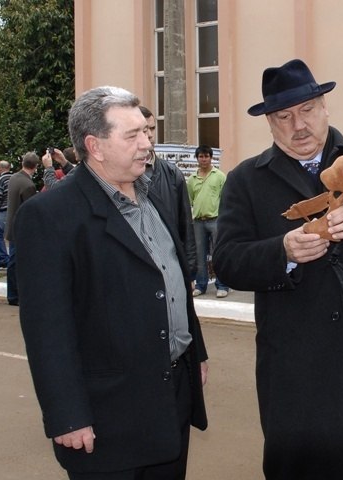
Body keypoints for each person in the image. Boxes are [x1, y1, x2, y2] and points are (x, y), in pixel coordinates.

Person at [212, 59, 343, 480]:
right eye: (284, 116)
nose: (298, 125)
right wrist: (283, 251)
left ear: (325, 107)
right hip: (296, 368)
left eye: (307, 109)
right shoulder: (246, 180)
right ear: (270, 123)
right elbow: (228, 261)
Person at [14, 86, 208, 480]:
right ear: (95, 146)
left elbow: (169, 278)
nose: (147, 144)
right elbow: (46, 328)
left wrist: (194, 351)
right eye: (133, 135)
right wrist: (67, 416)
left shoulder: (153, 195)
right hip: (108, 418)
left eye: (147, 132)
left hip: (171, 396)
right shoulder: (49, 216)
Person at [140, 105, 196, 277]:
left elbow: (185, 225)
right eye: (143, 130)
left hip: (170, 266)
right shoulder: (119, 174)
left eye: (152, 128)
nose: (149, 134)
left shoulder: (172, 174)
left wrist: (189, 271)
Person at [187, 145, 229, 298]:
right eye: (200, 156)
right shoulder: (192, 179)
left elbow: (225, 198)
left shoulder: (219, 176)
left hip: (216, 220)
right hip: (198, 222)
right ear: (197, 158)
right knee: (200, 255)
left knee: (219, 253)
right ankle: (201, 285)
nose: (203, 159)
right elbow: (190, 199)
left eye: (206, 156)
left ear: (211, 158)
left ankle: (222, 285)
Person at [5, 152, 38, 306]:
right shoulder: (28, 185)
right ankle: (15, 295)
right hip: (22, 229)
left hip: (11, 225)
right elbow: (30, 211)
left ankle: (12, 294)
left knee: (13, 261)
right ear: (36, 167)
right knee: (18, 262)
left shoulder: (14, 178)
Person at [0, 160, 12, 269]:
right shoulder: (14, 177)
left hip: (3, 210)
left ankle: (4, 259)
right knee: (13, 235)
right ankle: (14, 258)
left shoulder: (1, 179)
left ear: (0, 168)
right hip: (14, 210)